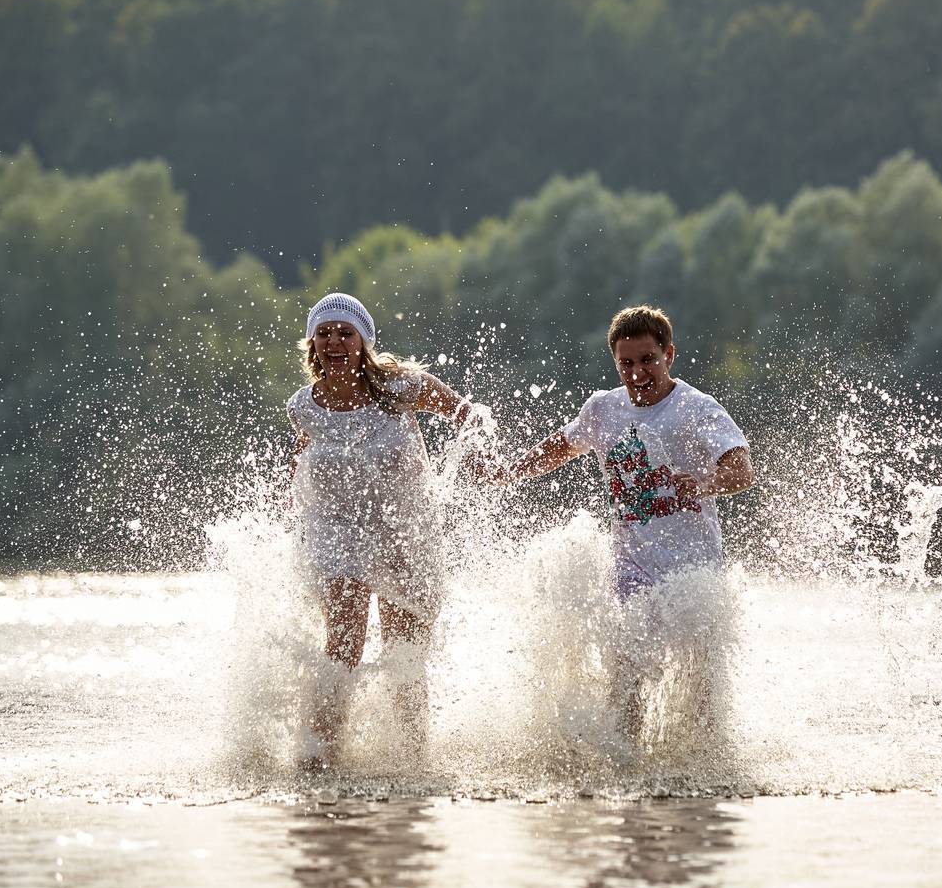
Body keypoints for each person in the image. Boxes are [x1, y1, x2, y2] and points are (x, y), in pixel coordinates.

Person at [492, 305, 754, 744]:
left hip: (693, 570)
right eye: (626, 363)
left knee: (699, 681)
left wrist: (702, 484)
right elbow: (562, 446)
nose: (637, 373)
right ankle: (626, 756)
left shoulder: (697, 408)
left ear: (669, 354)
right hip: (632, 565)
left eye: (647, 360)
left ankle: (705, 759)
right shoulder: (603, 409)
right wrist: (506, 473)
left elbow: (742, 471)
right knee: (627, 663)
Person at [287, 291, 478, 767]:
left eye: (345, 333)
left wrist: (473, 460)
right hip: (337, 532)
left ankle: (412, 758)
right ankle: (319, 755)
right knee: (344, 642)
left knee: (403, 655)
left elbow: (468, 416)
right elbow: (302, 460)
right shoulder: (303, 406)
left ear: (363, 342)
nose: (334, 342)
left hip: (405, 530)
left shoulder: (402, 388)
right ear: (312, 343)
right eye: (324, 333)